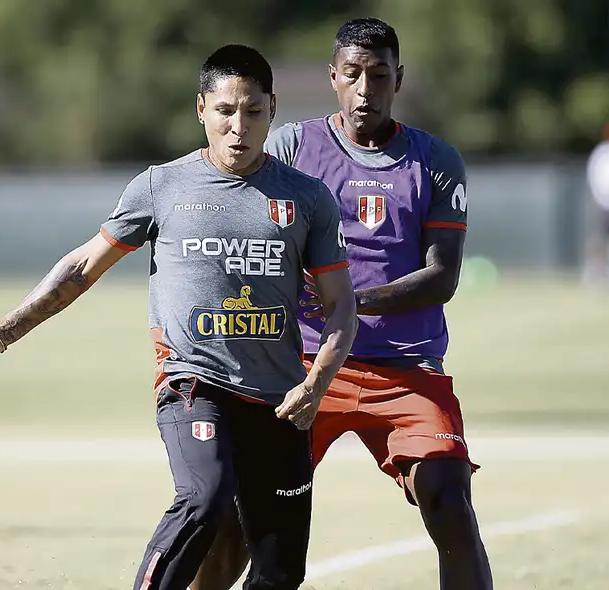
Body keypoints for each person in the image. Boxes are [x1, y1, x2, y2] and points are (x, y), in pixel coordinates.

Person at [0, 44, 358, 590]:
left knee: (281, 572)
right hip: (194, 383)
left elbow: (341, 305)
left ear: (272, 109)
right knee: (203, 499)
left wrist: (316, 384)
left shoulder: (307, 198)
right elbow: (80, 269)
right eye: (225, 111)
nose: (239, 126)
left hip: (279, 402)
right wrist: (1, 334)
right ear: (201, 111)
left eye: (253, 111)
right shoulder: (162, 186)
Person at [192, 18, 493, 590]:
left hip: (405, 370)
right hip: (301, 368)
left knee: (450, 500)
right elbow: (244, 228)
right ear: (333, 76)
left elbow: (442, 276)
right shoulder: (291, 148)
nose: (364, 88)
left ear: (397, 79)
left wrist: (349, 303)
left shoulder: (435, 161)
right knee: (234, 521)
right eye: (352, 74)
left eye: (378, 75)